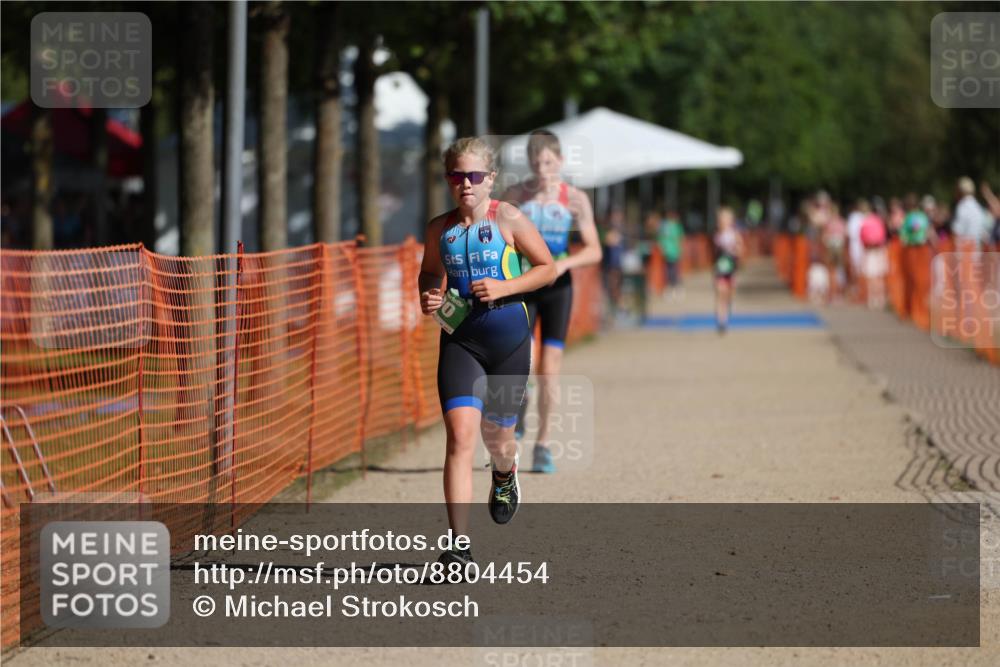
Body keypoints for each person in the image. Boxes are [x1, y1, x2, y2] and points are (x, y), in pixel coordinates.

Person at [419, 137, 556, 565]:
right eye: (457, 176)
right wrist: (429, 295)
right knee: (459, 438)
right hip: (461, 340)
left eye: (475, 176)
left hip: (508, 341)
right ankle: (458, 548)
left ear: (491, 179)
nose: (466, 184)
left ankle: (504, 473)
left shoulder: (507, 218)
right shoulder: (439, 228)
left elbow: (547, 268)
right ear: (448, 179)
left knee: (498, 440)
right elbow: (428, 272)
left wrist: (506, 287)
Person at [502, 130, 602, 473]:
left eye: (548, 161)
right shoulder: (516, 195)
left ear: (559, 161)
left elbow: (594, 249)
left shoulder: (573, 199)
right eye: (536, 162)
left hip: (558, 286)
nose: (542, 168)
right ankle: (520, 402)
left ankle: (543, 445)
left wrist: (563, 263)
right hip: (526, 283)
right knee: (521, 360)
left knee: (551, 367)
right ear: (530, 164)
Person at [713, 206, 744, 334]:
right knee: (720, 293)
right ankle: (721, 322)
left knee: (728, 294)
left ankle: (727, 309)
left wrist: (735, 250)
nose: (724, 221)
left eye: (727, 218)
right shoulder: (717, 234)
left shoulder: (735, 234)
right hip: (720, 269)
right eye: (722, 218)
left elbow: (741, 250)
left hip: (731, 269)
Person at [952, 177, 992, 250]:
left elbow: (957, 233)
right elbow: (984, 234)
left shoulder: (962, 207)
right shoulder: (978, 207)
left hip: (964, 253)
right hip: (976, 253)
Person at [860, 209, 888, 310]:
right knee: (879, 277)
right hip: (878, 251)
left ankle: (872, 299)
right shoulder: (879, 221)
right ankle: (880, 299)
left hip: (869, 251)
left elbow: (862, 237)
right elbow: (883, 237)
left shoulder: (865, 222)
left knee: (871, 277)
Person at [658, 209, 685, 292]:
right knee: (673, 270)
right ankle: (673, 286)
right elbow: (680, 238)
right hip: (672, 251)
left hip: (671, 251)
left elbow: (661, 239)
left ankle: (673, 286)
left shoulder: (665, 226)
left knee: (671, 269)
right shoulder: (673, 226)